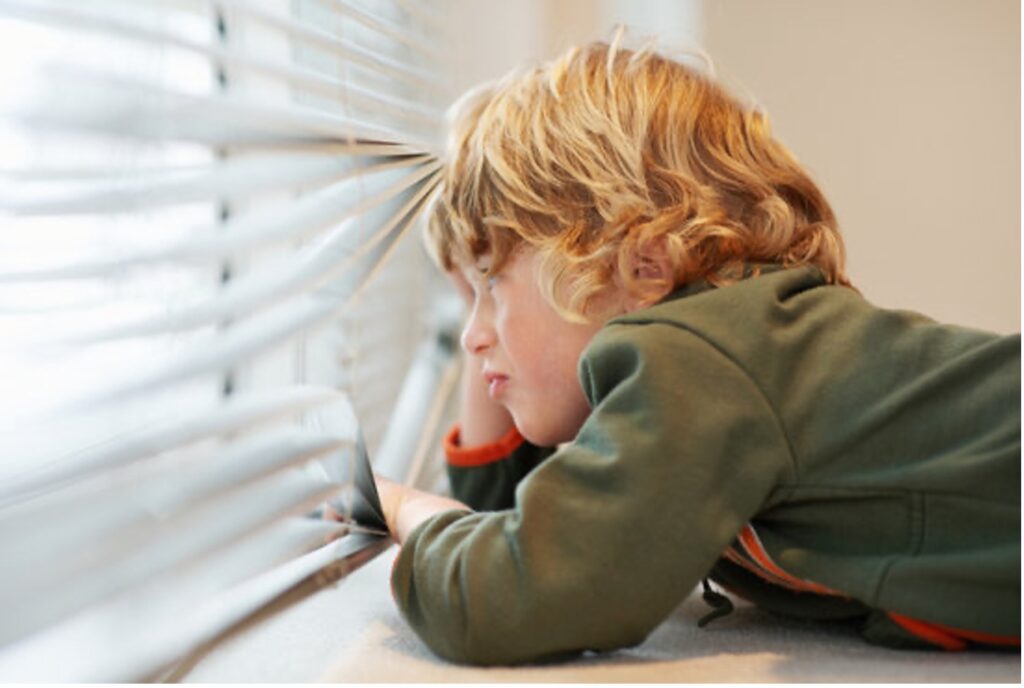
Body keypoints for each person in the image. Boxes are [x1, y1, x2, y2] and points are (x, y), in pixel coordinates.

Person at [371, 35, 1021, 666]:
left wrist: (405, 509)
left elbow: (517, 593)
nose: (472, 333)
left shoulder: (699, 356)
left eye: (490, 283)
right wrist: (481, 291)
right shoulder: (740, 345)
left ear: (643, 265)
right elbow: (515, 516)